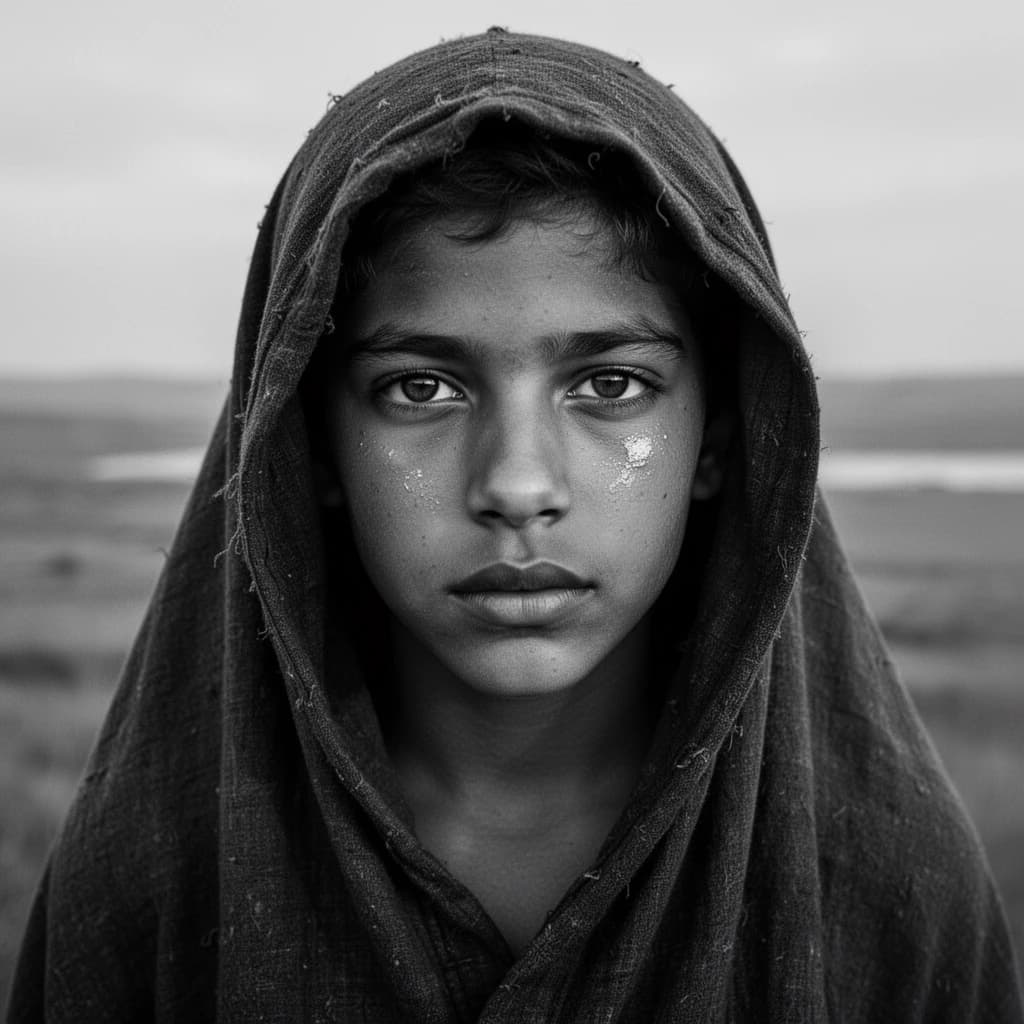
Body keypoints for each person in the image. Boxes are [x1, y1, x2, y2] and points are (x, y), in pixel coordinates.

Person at [9, 29, 1022, 1022]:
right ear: (307, 443)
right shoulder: (154, 888)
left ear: (718, 438)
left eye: (611, 382)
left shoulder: (889, 891)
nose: (517, 483)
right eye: (421, 387)